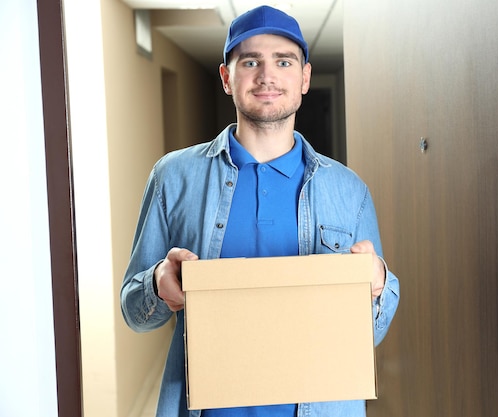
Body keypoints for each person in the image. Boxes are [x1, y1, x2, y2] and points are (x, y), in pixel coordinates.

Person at [120, 5, 400, 417]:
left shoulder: (348, 190)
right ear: (226, 78)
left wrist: (377, 287)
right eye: (250, 61)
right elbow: (134, 312)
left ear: (304, 78)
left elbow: (368, 336)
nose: (267, 76)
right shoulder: (173, 178)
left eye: (283, 62)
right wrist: (159, 282)